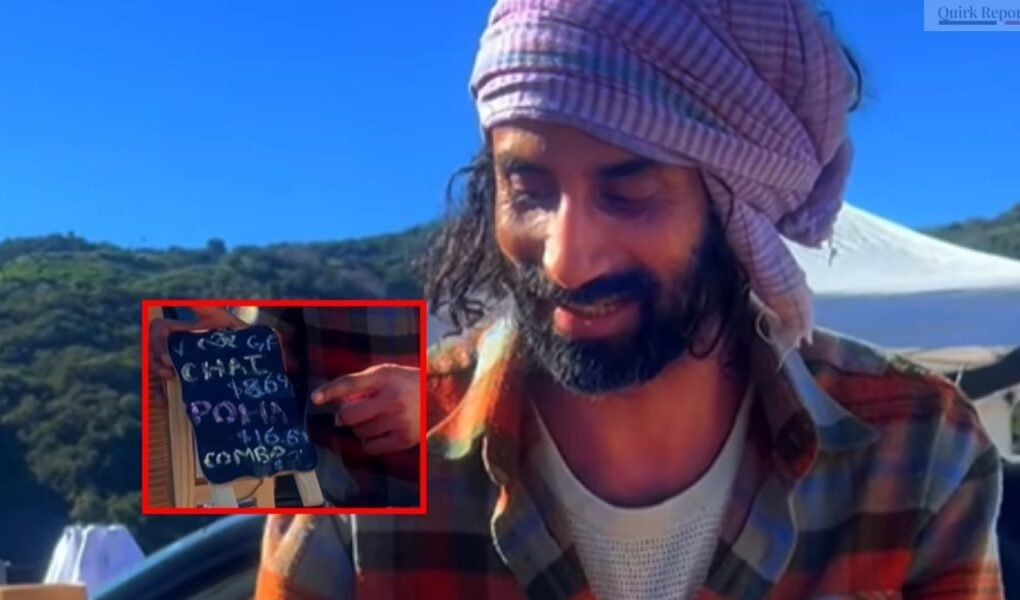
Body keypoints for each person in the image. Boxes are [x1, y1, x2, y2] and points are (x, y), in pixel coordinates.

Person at [256, 0, 1005, 597]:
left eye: (629, 192)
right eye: (529, 190)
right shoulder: (346, 444)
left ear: (736, 212)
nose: (566, 259)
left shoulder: (919, 449)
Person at [149, 305, 423, 507]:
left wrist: (435, 400)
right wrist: (215, 349)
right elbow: (268, 354)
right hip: (342, 508)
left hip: (449, 515)